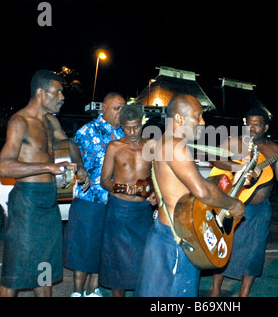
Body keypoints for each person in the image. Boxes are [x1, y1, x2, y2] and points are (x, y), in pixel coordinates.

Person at [136, 94, 245, 297]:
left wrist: (235, 175)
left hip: (166, 234)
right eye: (198, 116)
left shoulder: (165, 143)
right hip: (176, 239)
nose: (203, 122)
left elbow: (194, 183)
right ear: (179, 119)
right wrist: (233, 204)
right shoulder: (175, 146)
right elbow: (201, 190)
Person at [0, 70, 89, 297]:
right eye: (57, 92)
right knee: (15, 272)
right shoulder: (20, 122)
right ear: (40, 92)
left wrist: (80, 166)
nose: (62, 97)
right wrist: (47, 167)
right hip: (27, 201)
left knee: (45, 265)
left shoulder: (50, 121)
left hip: (49, 200)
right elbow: (5, 167)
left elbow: (68, 142)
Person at [210, 106, 278, 297]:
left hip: (260, 210)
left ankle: (243, 294)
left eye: (257, 124)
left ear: (266, 127)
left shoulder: (273, 149)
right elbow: (215, 160)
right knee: (225, 246)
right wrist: (239, 166)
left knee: (255, 253)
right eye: (249, 123)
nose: (252, 127)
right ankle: (215, 292)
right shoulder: (234, 142)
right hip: (233, 204)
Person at [62, 92, 126, 297]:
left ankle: (93, 288)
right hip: (90, 199)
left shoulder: (125, 133)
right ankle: (77, 291)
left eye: (123, 108)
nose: (121, 112)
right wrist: (80, 168)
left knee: (103, 247)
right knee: (83, 247)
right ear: (104, 109)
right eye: (117, 108)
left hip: (115, 201)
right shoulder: (88, 130)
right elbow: (72, 147)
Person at [99, 105, 156, 297]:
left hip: (142, 212)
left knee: (143, 261)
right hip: (119, 210)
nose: (132, 132)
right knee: (119, 264)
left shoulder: (151, 145)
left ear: (143, 124)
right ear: (121, 126)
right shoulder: (114, 147)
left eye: (136, 127)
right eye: (127, 128)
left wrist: (154, 192)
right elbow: (104, 180)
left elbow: (158, 175)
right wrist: (122, 188)